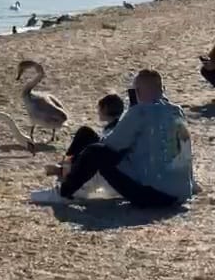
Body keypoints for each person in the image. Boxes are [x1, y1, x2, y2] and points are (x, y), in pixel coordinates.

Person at [35, 69, 193, 208]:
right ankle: (68, 176)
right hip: (181, 191)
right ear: (162, 89)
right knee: (90, 137)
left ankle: (64, 192)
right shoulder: (177, 112)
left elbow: (110, 145)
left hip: (153, 195)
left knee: (95, 151)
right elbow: (183, 151)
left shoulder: (140, 111)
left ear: (137, 91)